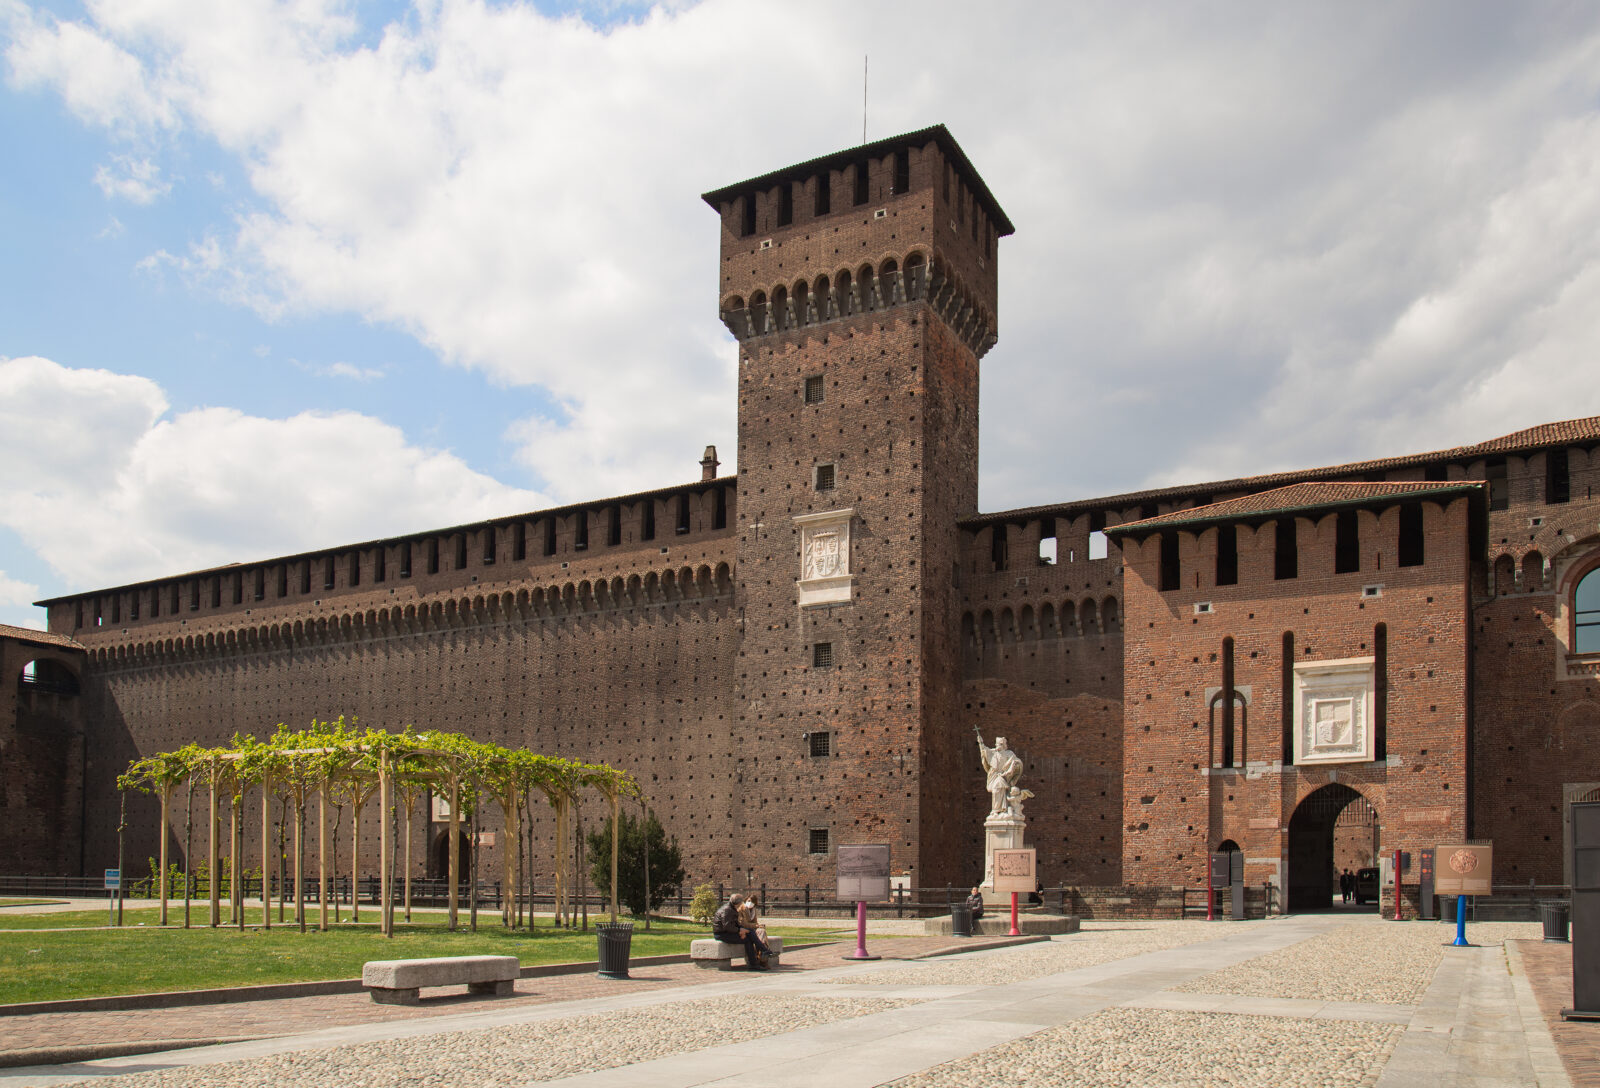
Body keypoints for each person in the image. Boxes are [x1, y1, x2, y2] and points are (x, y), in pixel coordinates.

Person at [712, 892, 770, 969]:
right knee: (748, 940)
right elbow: (727, 927)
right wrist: (739, 931)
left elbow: (735, 923)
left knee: (750, 932)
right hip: (722, 934)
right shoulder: (727, 910)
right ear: (738, 903)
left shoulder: (731, 908)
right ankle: (759, 957)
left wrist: (741, 930)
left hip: (728, 932)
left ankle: (761, 954)